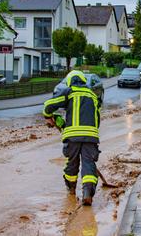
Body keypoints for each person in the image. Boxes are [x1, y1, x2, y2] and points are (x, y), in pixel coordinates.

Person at [43, 70, 101, 206]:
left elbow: (48, 106)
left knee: (72, 163)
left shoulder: (69, 92)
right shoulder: (93, 95)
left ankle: (71, 190)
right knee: (89, 164)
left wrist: (48, 116)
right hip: (91, 136)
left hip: (72, 138)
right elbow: (97, 120)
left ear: (70, 82)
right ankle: (87, 193)